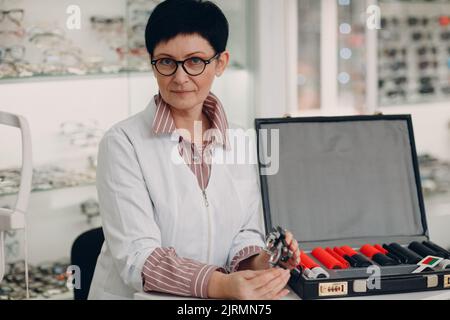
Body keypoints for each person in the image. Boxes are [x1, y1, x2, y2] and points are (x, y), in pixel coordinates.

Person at [88, 0, 300, 300]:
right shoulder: (122, 143)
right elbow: (137, 257)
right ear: (152, 63)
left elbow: (245, 233)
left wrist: (262, 261)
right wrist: (221, 285)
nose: (180, 77)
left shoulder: (239, 140)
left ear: (221, 62)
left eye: (195, 61)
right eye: (166, 61)